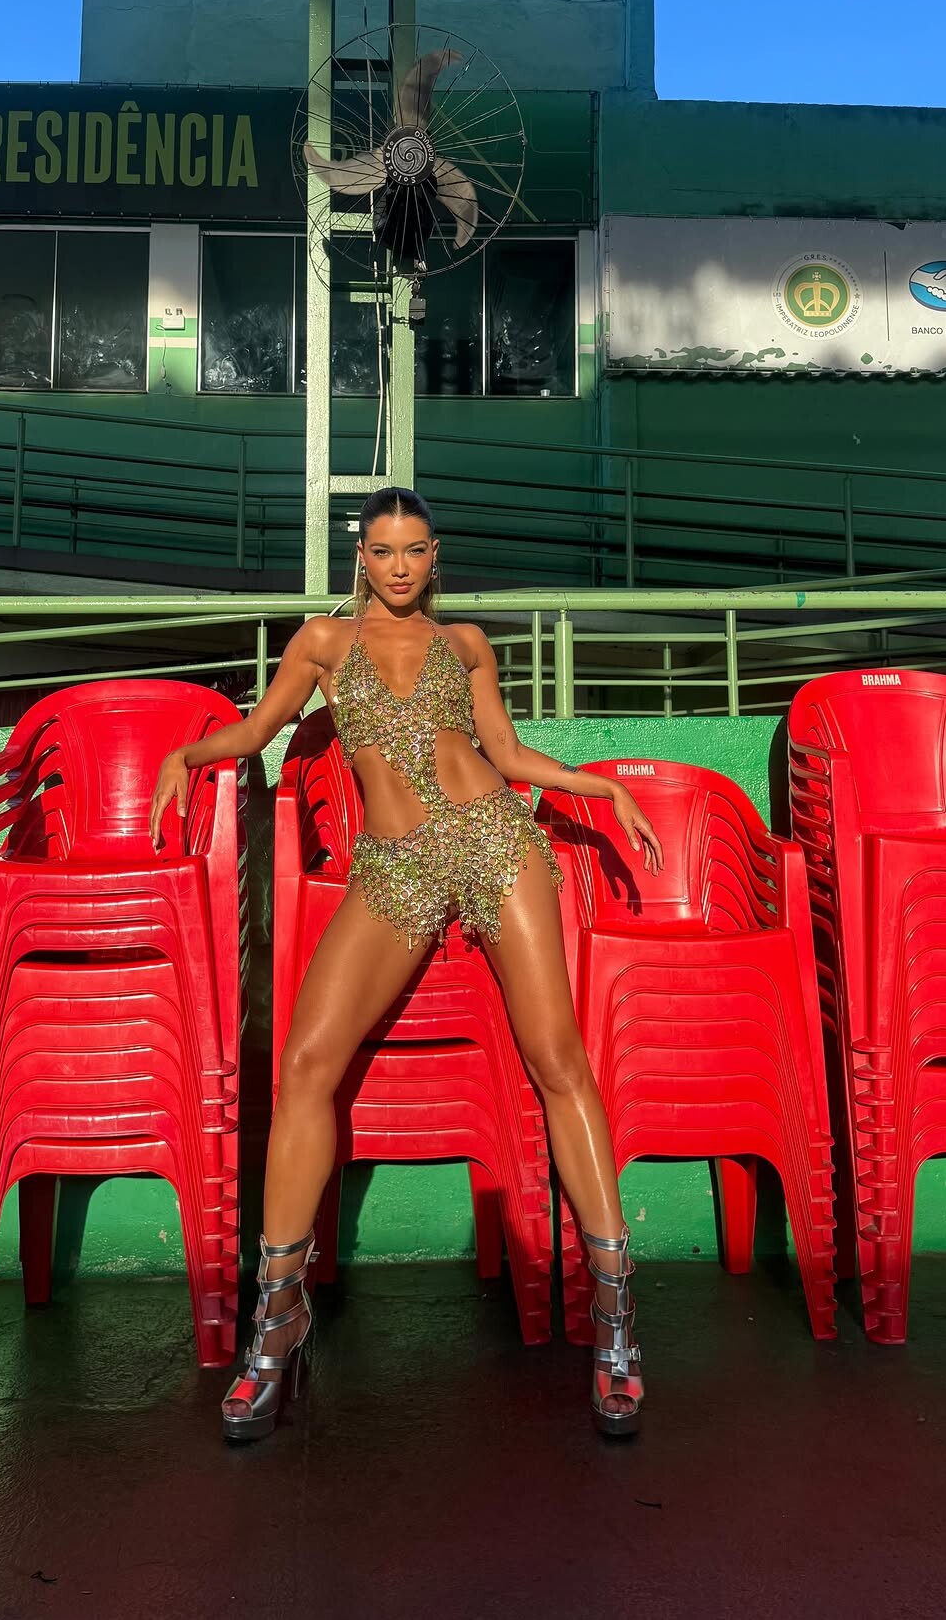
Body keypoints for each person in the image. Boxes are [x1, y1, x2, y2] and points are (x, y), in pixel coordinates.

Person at [149, 487, 663, 1442]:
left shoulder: (465, 643)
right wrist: (191, 751)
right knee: (306, 1065)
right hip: (394, 867)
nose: (398, 567)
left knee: (558, 1059)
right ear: (362, 557)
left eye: (414, 550)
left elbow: (505, 753)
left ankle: (616, 1317)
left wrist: (593, 785)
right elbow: (256, 733)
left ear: (435, 556)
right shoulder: (322, 644)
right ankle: (278, 1319)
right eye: (383, 550)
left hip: (494, 842)